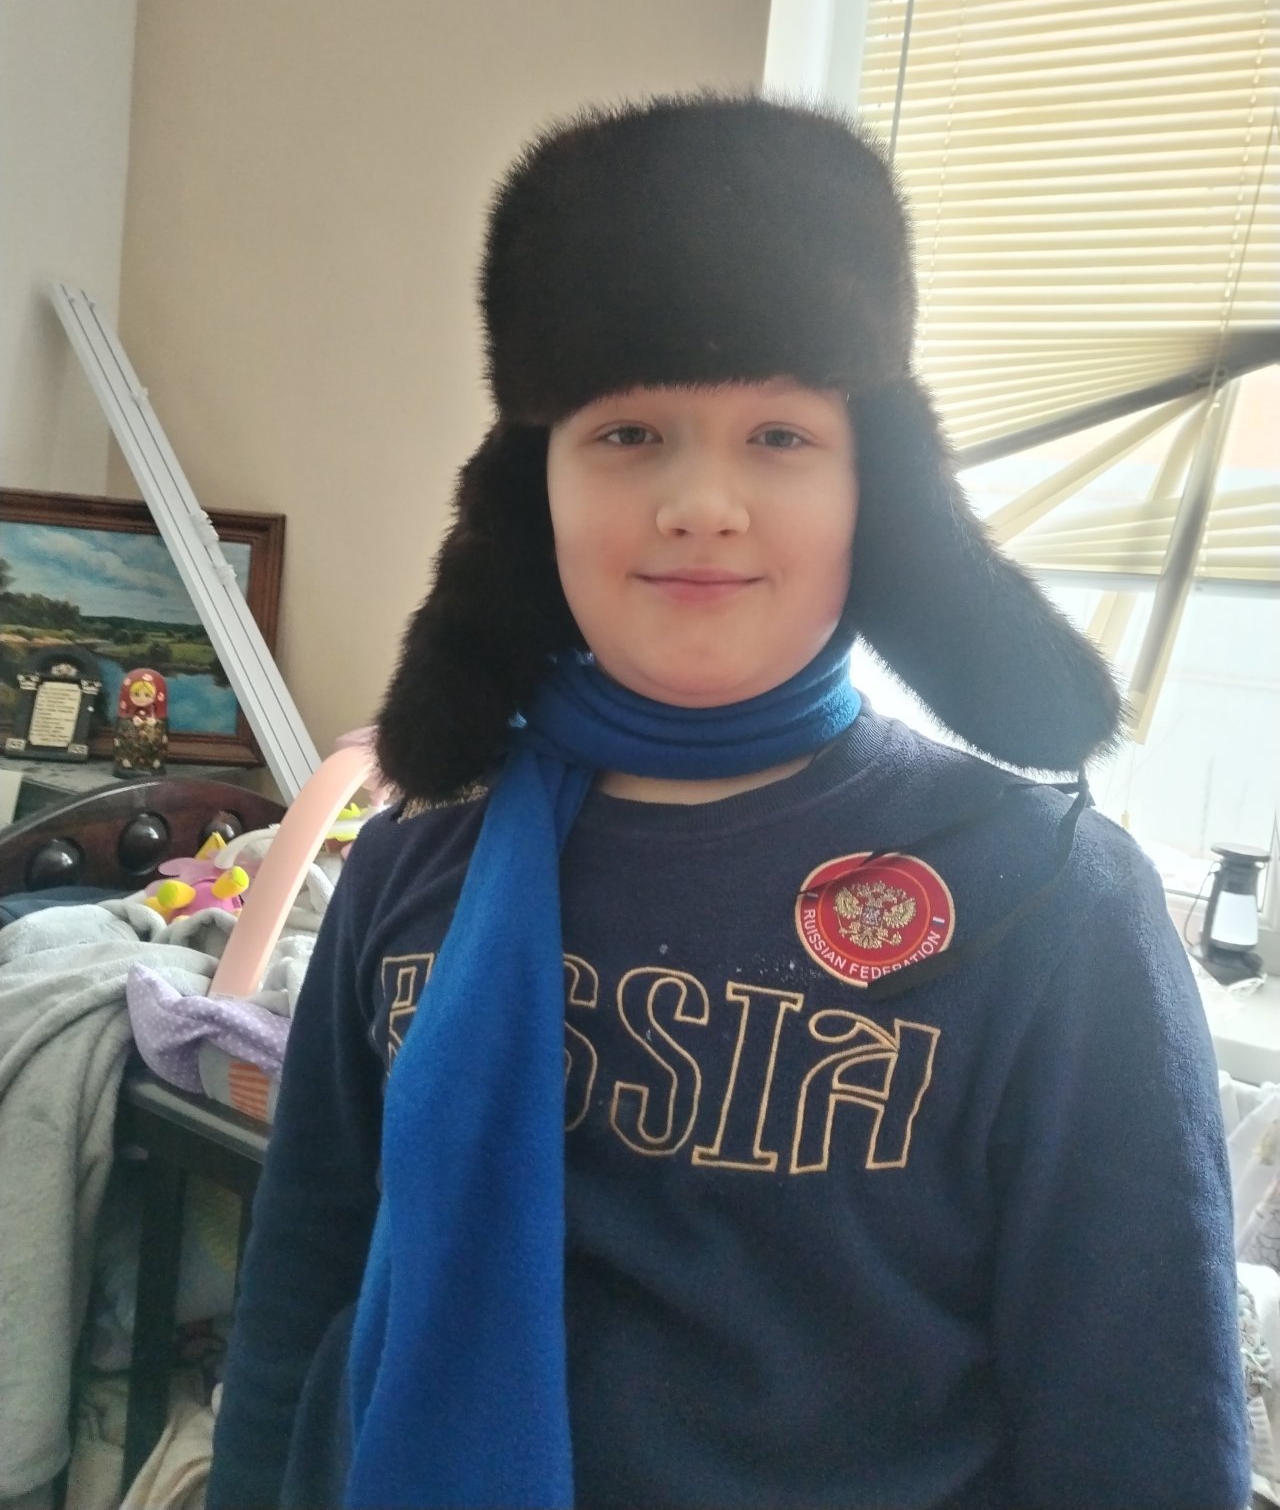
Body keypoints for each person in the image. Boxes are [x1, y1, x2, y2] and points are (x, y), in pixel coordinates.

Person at [207, 93, 1249, 1510]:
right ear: (532, 488)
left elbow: (1140, 1433)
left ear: (880, 489)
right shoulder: (410, 859)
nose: (703, 502)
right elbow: (298, 1288)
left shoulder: (1055, 903)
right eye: (631, 431)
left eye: (779, 435)